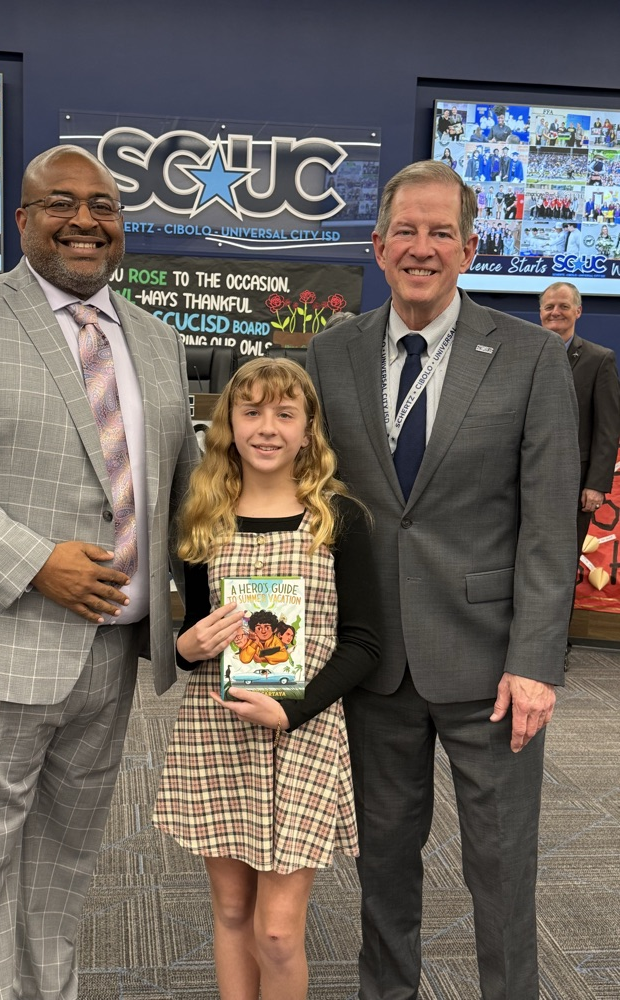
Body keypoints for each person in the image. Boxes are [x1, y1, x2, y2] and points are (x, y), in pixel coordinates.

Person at [0, 144, 199, 1000]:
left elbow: (184, 492)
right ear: (22, 219)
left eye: (103, 206)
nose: (84, 220)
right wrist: (34, 562)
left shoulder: (157, 340)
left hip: (109, 661)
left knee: (61, 870)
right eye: (61, 203)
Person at [306, 160, 579, 1000]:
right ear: (378, 245)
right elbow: (309, 496)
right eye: (405, 231)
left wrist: (535, 661)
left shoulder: (531, 356)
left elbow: (549, 524)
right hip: (375, 661)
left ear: (469, 248)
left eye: (440, 233)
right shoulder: (332, 352)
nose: (421, 248)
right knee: (383, 862)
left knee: (500, 867)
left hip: (492, 667)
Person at [153, 357, 380, 1000]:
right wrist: (187, 646)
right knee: (231, 911)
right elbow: (193, 633)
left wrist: (293, 709)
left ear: (308, 430)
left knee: (278, 932)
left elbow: (365, 643)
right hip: (218, 730)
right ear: (229, 423)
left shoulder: (338, 518)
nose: (267, 428)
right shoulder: (204, 519)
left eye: (285, 413)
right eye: (251, 412)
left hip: (304, 732)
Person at [538, 281, 620, 562]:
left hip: (574, 485)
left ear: (578, 311)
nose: (555, 312)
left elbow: (608, 429)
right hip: (523, 482)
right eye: (549, 306)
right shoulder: (522, 356)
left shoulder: (599, 360)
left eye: (564, 306)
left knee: (562, 561)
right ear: (540, 312)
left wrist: (596, 484)